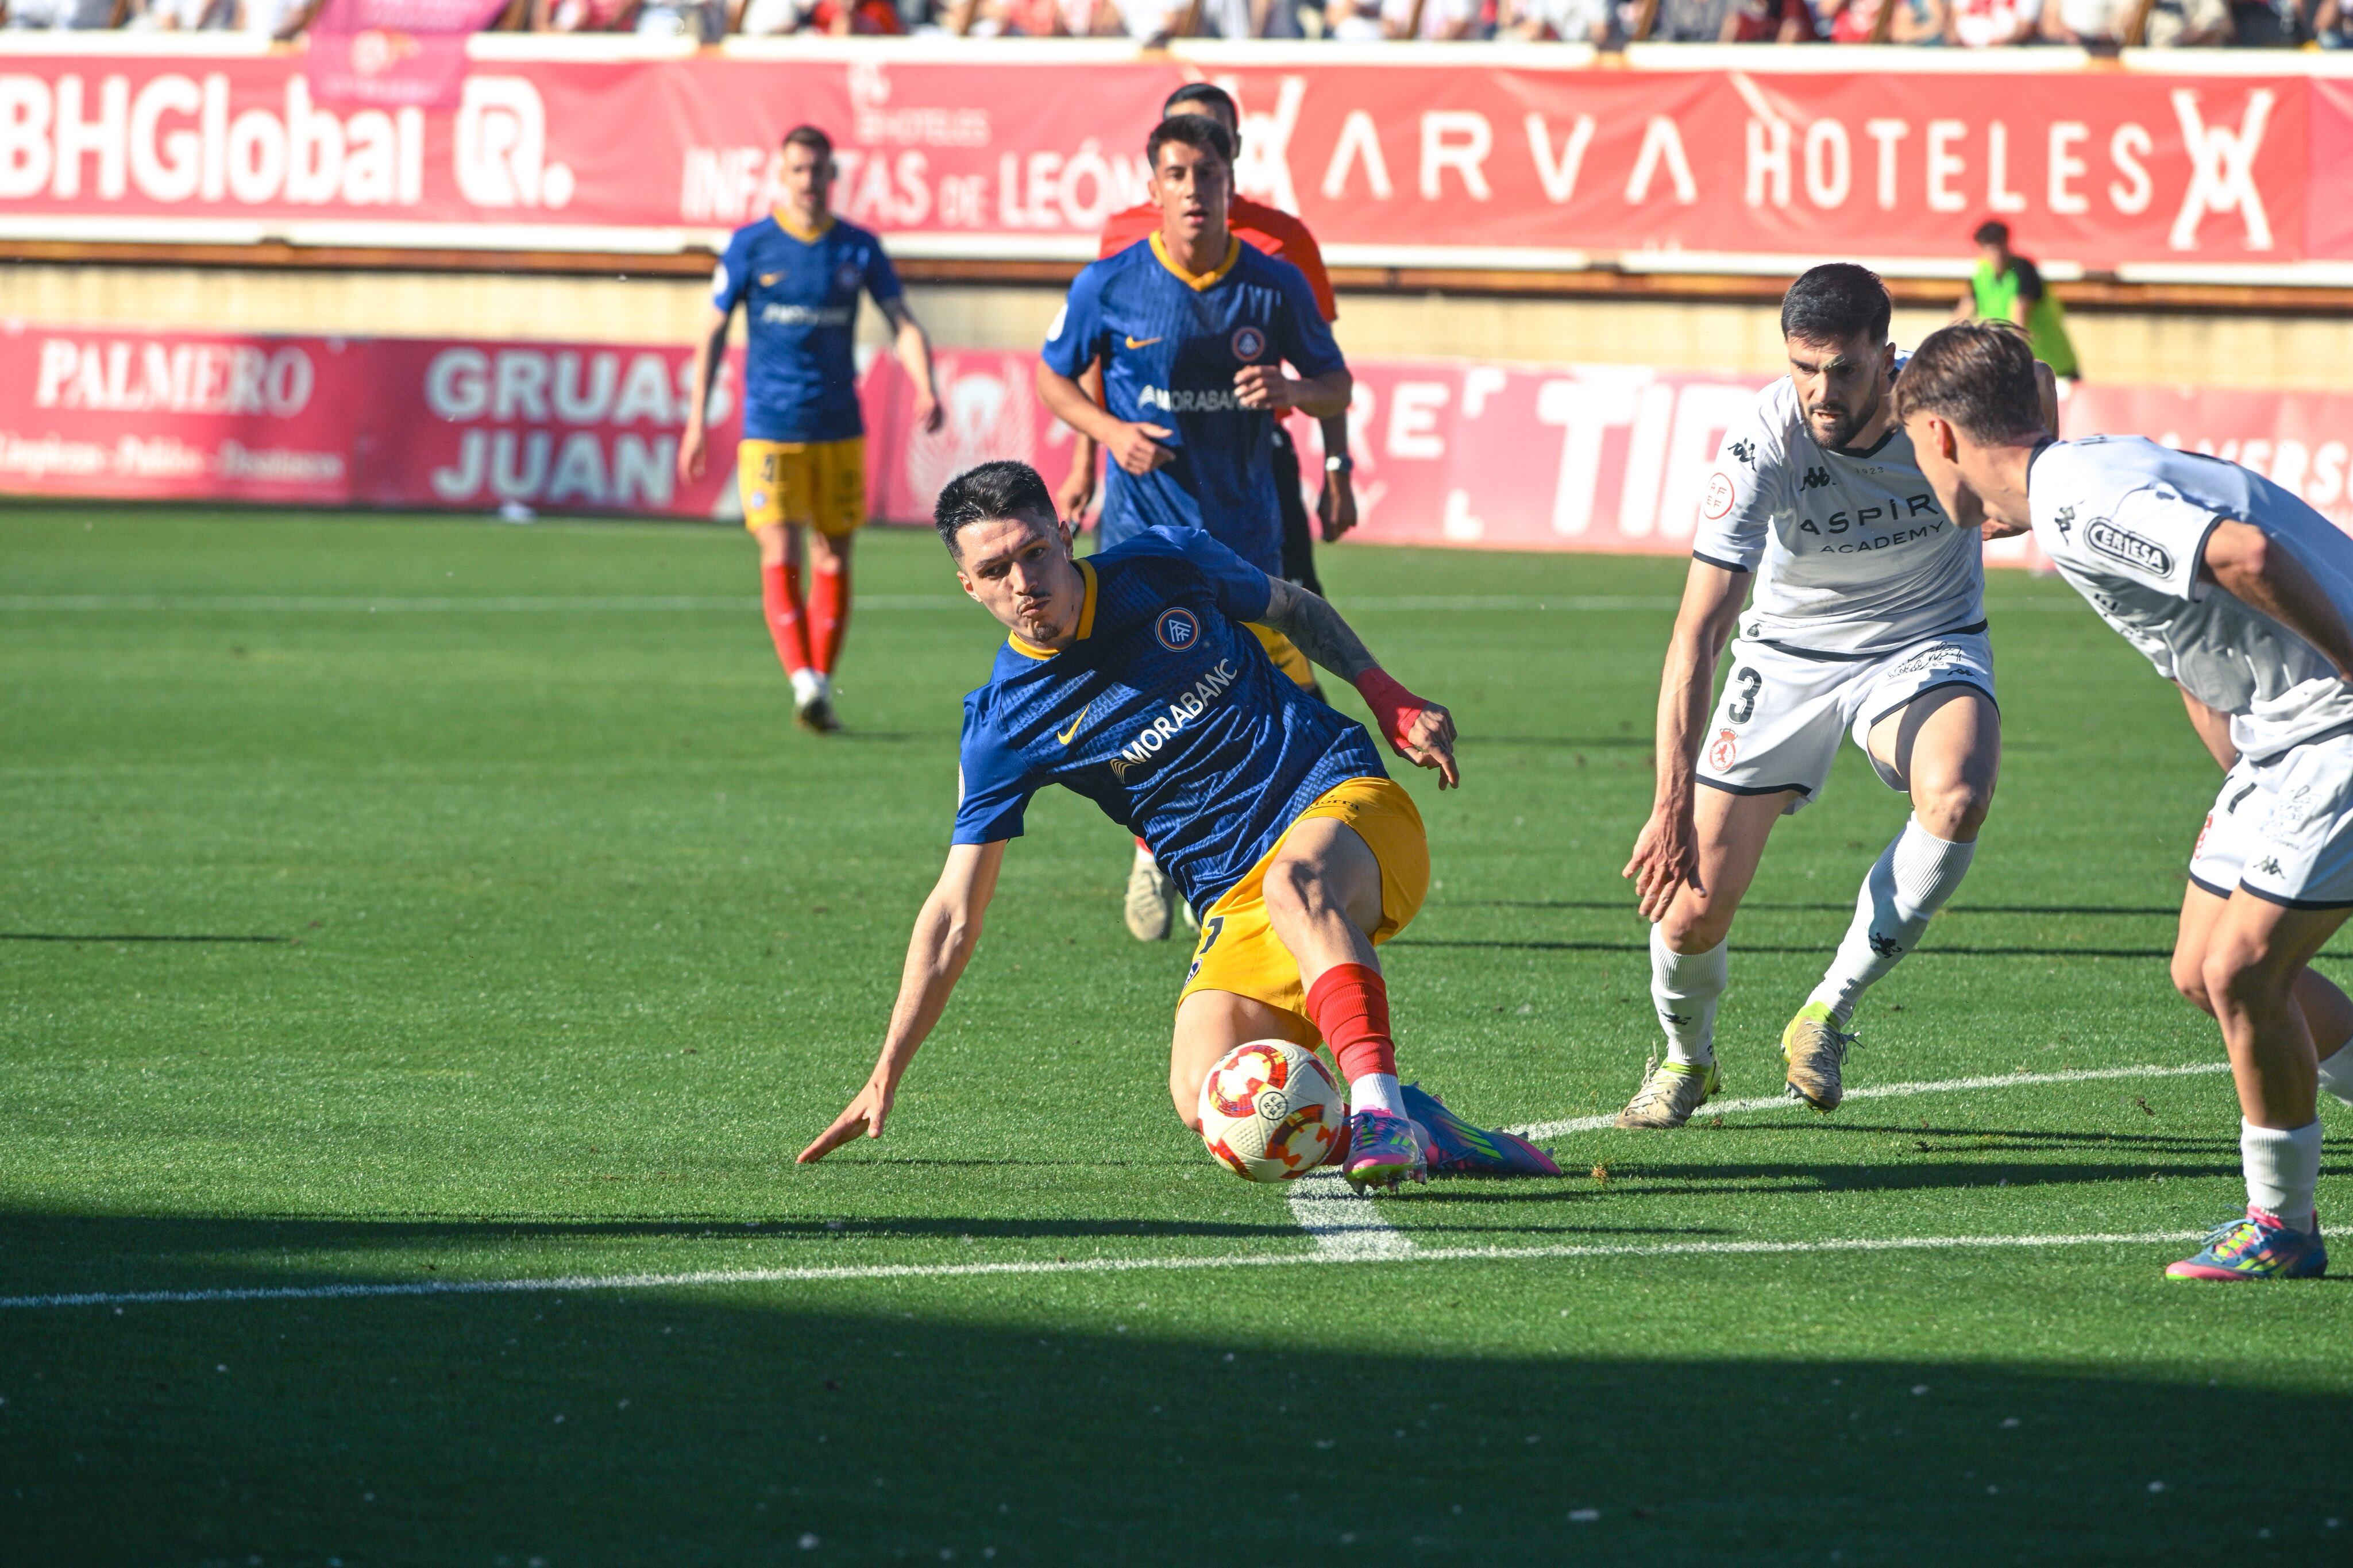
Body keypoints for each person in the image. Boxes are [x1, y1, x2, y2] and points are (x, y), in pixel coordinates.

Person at [795, 461, 1559, 1188]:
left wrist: (1386, 695)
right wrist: (885, 1070)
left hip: (1343, 807)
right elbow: (956, 909)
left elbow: (1293, 606)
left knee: (1298, 884)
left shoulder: (1163, 564)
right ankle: (1428, 1132)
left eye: (1033, 553)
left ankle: (1381, 1111)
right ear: (968, 586)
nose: (1023, 582)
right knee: (1207, 1098)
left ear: (1065, 535)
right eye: (996, 571)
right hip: (1233, 898)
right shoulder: (1004, 724)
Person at [1895, 321, 2353, 1280]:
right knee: (2200, 968)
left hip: (2332, 722)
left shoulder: (2078, 503)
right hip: (2281, 743)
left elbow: (2248, 558)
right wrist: (2243, 778)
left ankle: (2281, 1227)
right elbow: (2198, 641)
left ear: (1939, 436)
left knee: (2242, 974)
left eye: (1914, 449)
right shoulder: (2088, 476)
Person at [1619, 264, 2054, 1130]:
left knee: (1958, 794)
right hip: (1786, 655)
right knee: (1692, 909)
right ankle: (1686, 1060)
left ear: (1886, 359)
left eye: (1845, 368)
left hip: (1924, 640)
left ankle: (1825, 1010)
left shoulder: (1939, 403)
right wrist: (1668, 803)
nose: (1821, 389)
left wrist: (2034, 465)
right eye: (1803, 366)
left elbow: (2031, 370)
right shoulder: (1764, 440)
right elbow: (1698, 632)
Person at [1035, 114, 1351, 942]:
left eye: (1206, 176)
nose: (1192, 192)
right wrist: (1107, 435)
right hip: (1144, 541)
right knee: (1155, 703)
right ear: (1153, 188)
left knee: (1276, 706)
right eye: (1176, 176)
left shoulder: (1274, 283)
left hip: (1246, 534)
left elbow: (1337, 384)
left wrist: (1291, 392)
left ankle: (1280, 861)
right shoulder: (1108, 283)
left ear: (1229, 184)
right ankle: (1159, 848)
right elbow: (1053, 377)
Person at [680, 125, 942, 735]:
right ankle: (803, 679)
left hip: (838, 426)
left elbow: (902, 321)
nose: (809, 182)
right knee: (780, 549)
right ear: (782, 175)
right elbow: (713, 330)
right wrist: (696, 418)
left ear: (833, 177)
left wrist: (926, 382)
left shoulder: (858, 247)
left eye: (818, 171)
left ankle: (818, 685)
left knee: (834, 553)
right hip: (770, 429)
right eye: (798, 170)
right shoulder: (750, 246)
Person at [1066, 84, 1357, 607]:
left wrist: (1338, 467)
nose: (1193, 178)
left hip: (1254, 464)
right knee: (1143, 644)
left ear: (1234, 151)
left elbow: (1325, 364)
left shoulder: (1283, 244)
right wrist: (1086, 459)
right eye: (1178, 157)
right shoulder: (1121, 241)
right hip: (1150, 475)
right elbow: (1095, 357)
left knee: (1296, 630)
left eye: (1211, 143)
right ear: (1158, 170)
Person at [1954, 219, 2081, 383]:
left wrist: (2005, 362)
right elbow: (1962, 315)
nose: (1995, 255)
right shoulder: (1981, 275)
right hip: (2019, 368)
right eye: (1989, 248)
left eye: (1998, 246)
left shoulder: (2022, 270)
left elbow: (2019, 319)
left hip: (2052, 367)